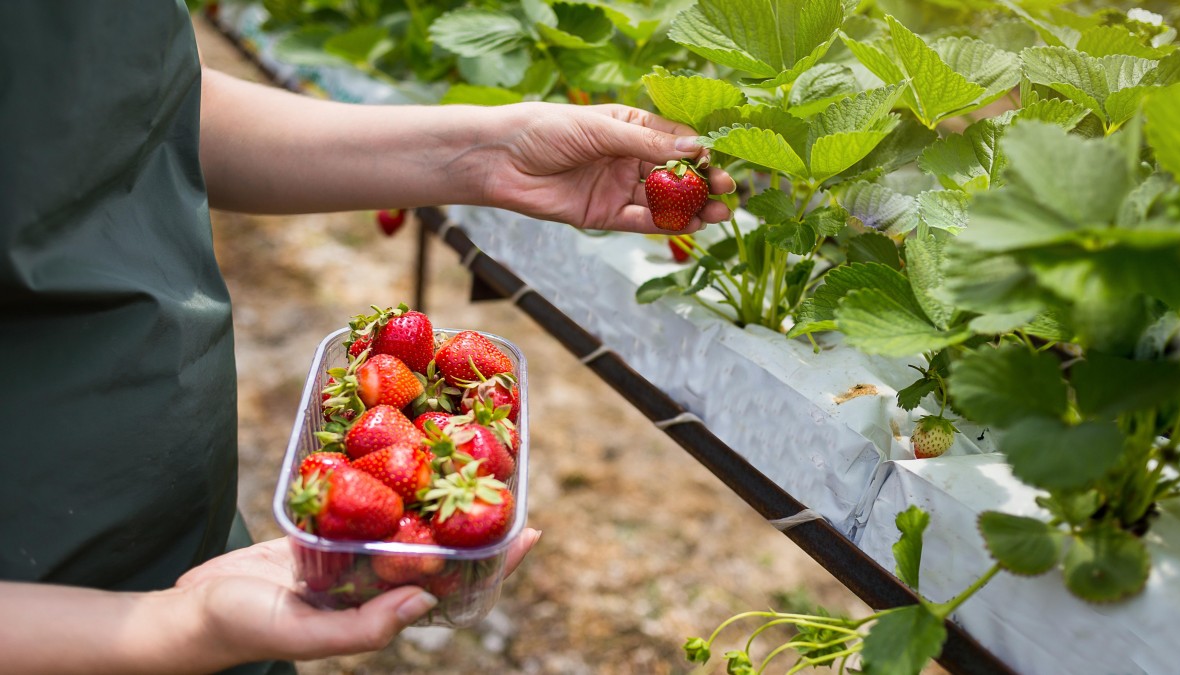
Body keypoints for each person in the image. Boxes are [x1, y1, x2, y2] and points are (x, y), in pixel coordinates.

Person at [0, 2, 734, 674]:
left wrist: (489, 153)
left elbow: (150, 117)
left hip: (186, 532)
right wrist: (173, 628)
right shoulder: (189, 619)